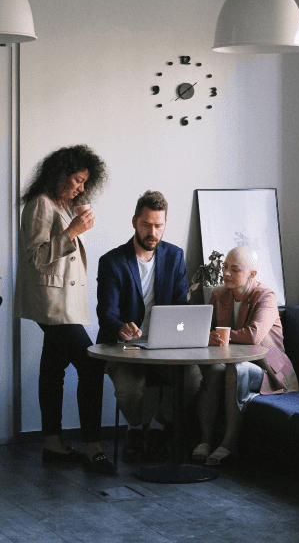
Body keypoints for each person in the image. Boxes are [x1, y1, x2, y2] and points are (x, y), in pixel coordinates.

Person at [14, 144, 114, 474]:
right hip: (51, 303)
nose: (81, 187)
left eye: (85, 182)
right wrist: (73, 231)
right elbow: (36, 257)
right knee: (90, 364)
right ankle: (93, 446)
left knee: (53, 368)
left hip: (60, 302)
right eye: (77, 180)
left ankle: (52, 443)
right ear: (60, 175)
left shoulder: (61, 204)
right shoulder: (40, 204)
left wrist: (74, 225)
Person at [97, 190, 201, 463]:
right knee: (131, 390)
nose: (152, 231)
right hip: (123, 350)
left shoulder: (174, 257)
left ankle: (155, 428)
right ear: (134, 222)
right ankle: (134, 430)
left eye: (158, 225)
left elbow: (180, 306)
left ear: (165, 224)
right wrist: (121, 327)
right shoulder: (112, 262)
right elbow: (105, 313)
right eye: (146, 224)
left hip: (163, 347)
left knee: (193, 378)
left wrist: (185, 329)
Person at [192, 246, 299, 465]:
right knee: (213, 370)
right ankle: (205, 440)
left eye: (234, 269)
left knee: (235, 369)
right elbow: (206, 328)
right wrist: (209, 336)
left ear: (251, 275)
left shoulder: (266, 296)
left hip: (268, 366)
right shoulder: (219, 294)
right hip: (231, 360)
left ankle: (228, 443)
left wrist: (223, 336)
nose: (226, 274)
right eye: (225, 267)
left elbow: (254, 335)